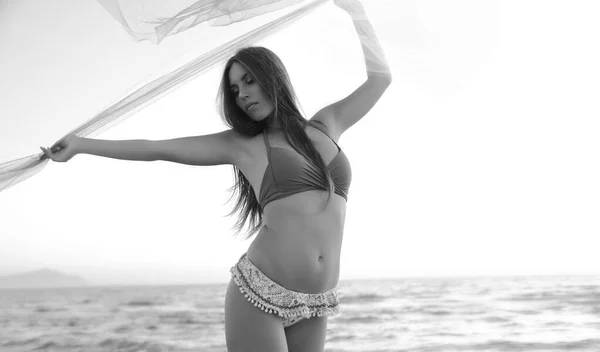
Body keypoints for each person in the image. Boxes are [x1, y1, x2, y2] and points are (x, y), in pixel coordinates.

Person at [41, 0, 391, 350]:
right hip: (259, 295)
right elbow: (158, 148)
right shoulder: (243, 145)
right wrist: (81, 144)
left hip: (314, 302)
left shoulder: (328, 123)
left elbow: (380, 78)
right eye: (236, 91)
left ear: (274, 77)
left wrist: (356, 12)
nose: (243, 96)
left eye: (249, 81)